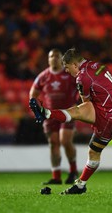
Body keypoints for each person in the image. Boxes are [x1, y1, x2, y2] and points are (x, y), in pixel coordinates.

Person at [29, 48, 112, 194]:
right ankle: (80, 184)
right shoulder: (95, 65)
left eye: (67, 68)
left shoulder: (81, 77)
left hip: (108, 117)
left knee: (80, 114)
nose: (67, 72)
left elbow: (86, 101)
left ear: (74, 65)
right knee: (93, 150)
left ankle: (47, 113)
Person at [29, 49, 79, 185]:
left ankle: (73, 170)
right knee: (53, 143)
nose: (54, 59)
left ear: (61, 59)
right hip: (49, 114)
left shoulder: (69, 74)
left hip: (68, 113)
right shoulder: (43, 76)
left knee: (65, 140)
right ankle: (56, 176)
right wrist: (36, 108)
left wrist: (80, 103)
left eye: (57, 56)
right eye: (52, 56)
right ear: (48, 59)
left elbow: (81, 87)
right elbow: (33, 93)